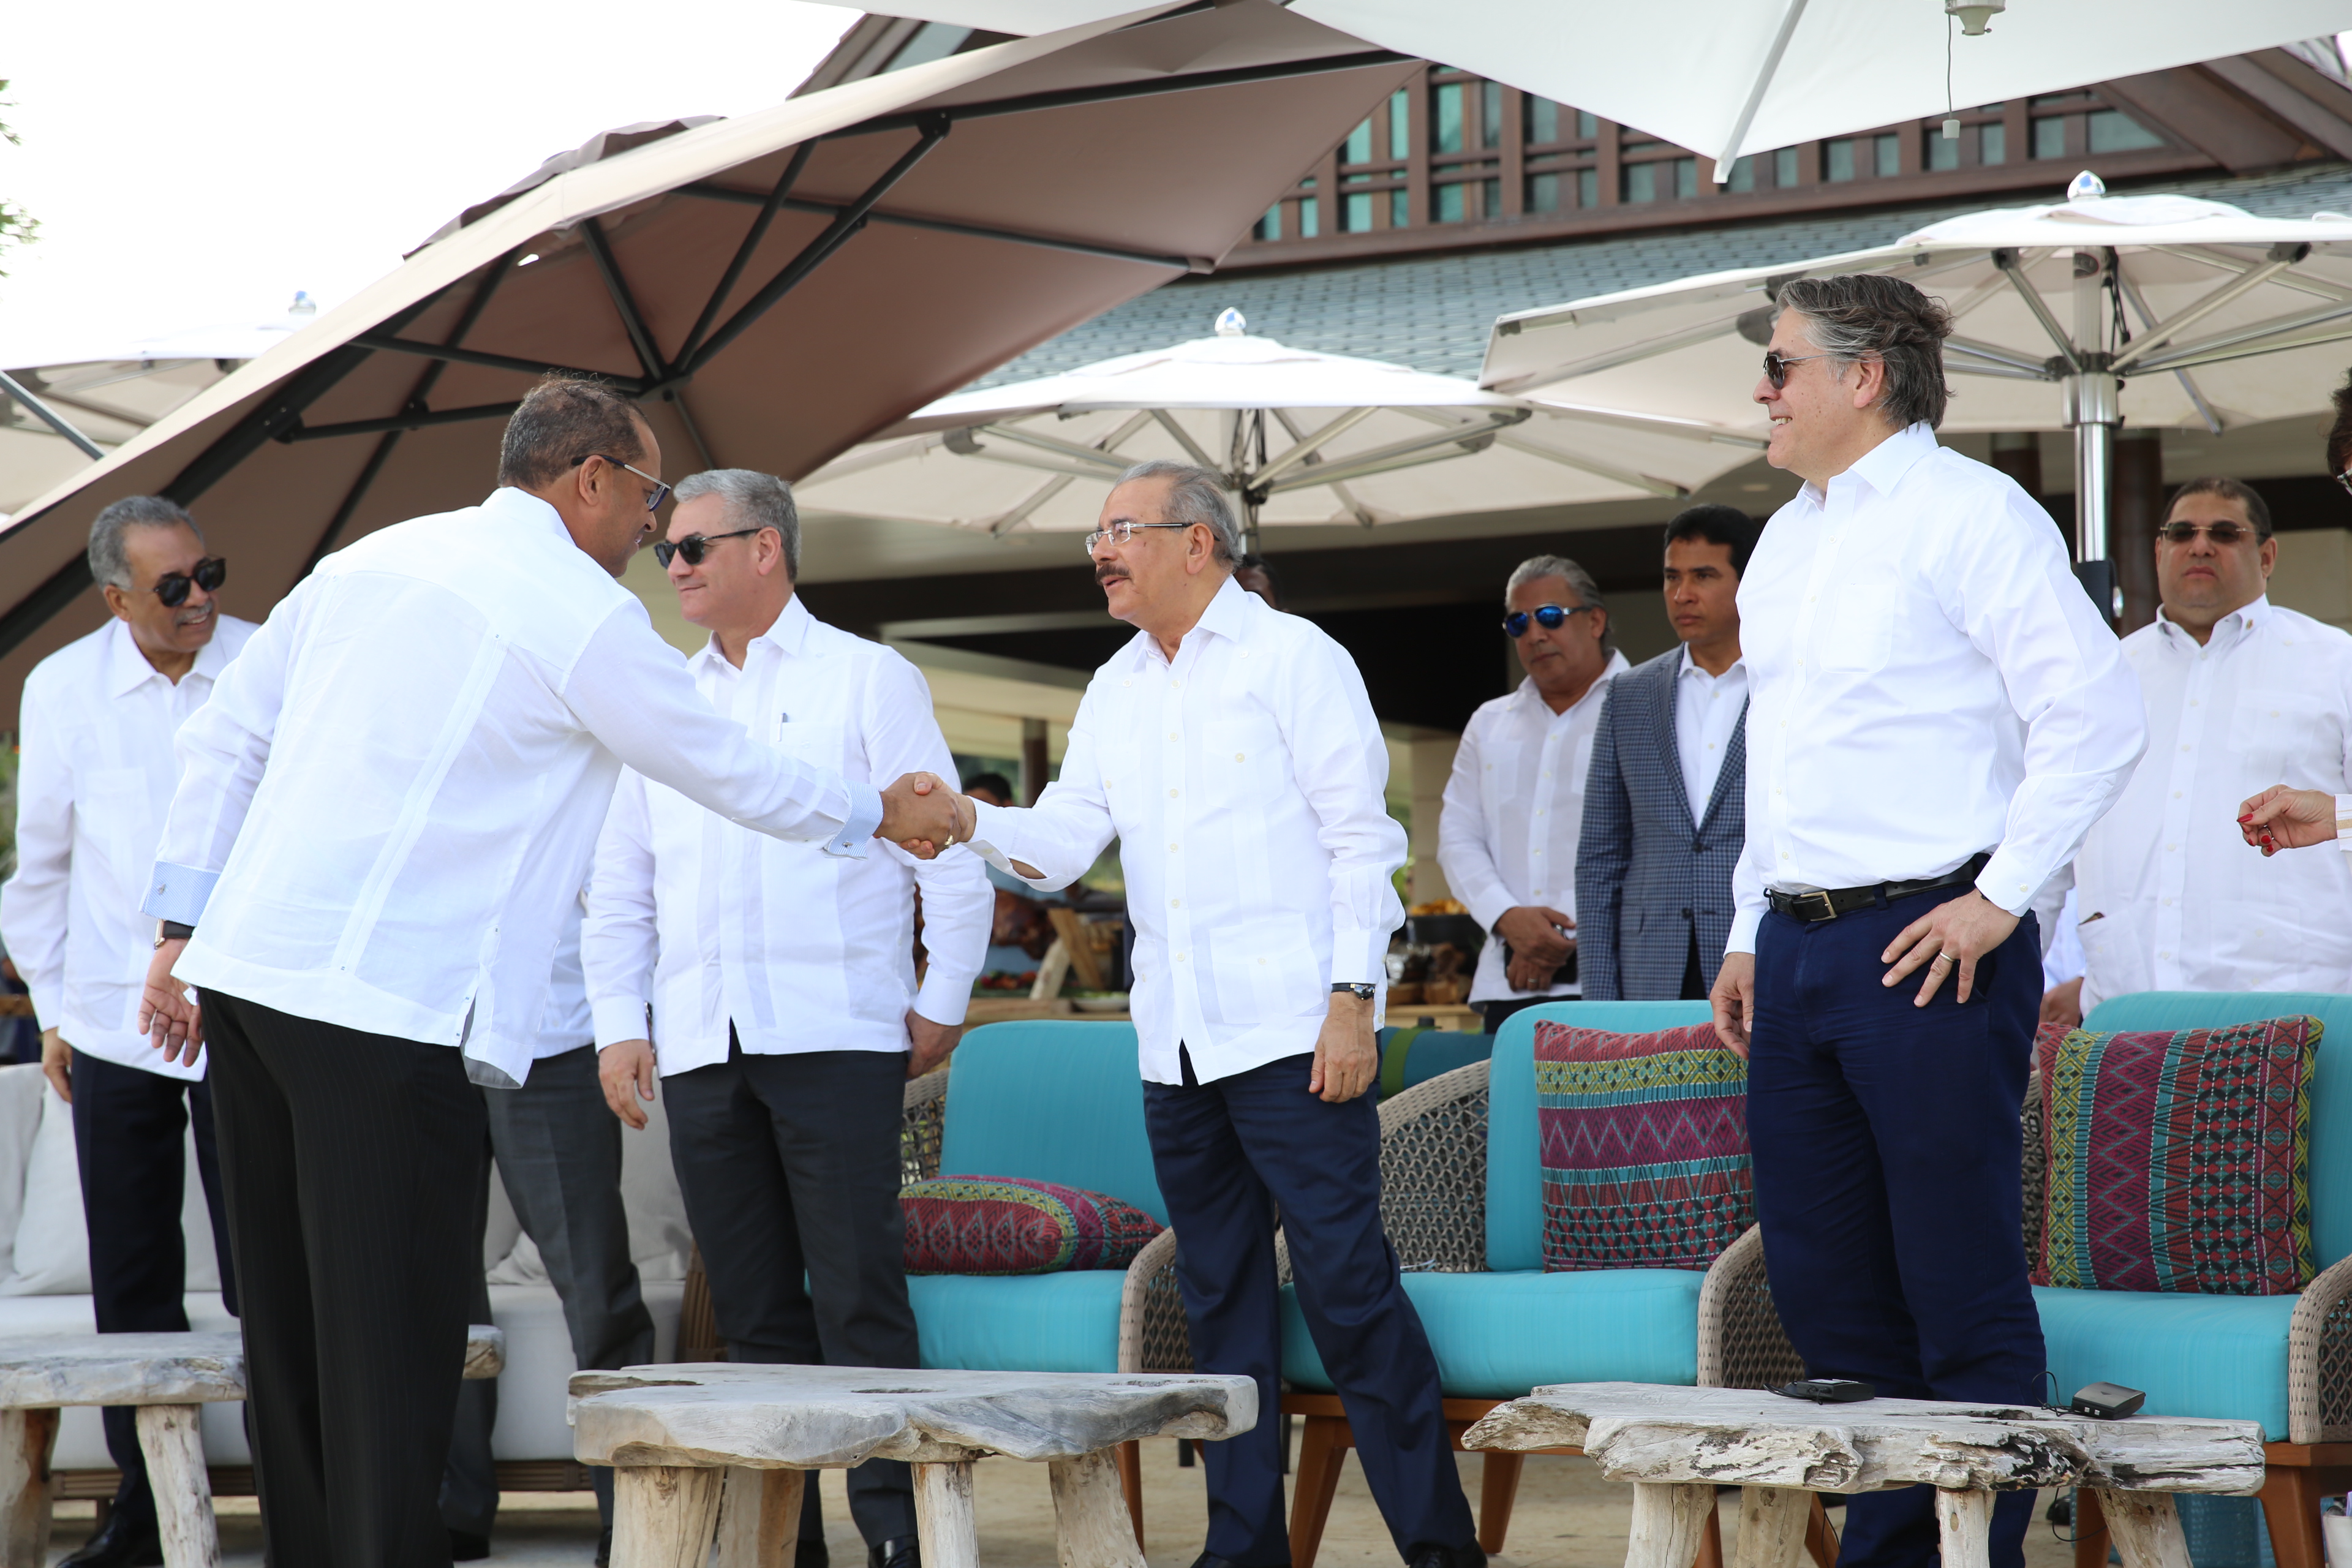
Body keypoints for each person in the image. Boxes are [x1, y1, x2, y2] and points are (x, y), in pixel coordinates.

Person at [132, 379, 958, 1568]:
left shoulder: (370, 559)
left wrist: (178, 926)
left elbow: (221, 739)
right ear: (591, 477)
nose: (653, 526)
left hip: (250, 980)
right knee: (393, 1341)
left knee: (294, 1335)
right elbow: (721, 763)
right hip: (386, 1005)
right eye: (649, 496)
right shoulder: (577, 608)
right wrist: (876, 811)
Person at [935, 459, 1482, 1568]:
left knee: (1348, 1295)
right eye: (1096, 535)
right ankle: (1243, 1550)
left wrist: (1353, 1001)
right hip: (1175, 1049)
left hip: (1293, 1037)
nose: (1101, 553)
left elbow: (1363, 843)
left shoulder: (1296, 658)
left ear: (1197, 542)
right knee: (1218, 1302)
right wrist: (965, 818)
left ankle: (1440, 1551)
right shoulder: (1115, 685)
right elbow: (1065, 841)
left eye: (1120, 530)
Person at [1708, 276, 2144, 1568]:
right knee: (1825, 1287)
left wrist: (2001, 898)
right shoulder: (1783, 540)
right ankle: (1894, 1554)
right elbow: (1780, 754)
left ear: (1865, 376)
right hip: (1795, 943)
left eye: (1782, 365)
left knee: (1957, 1277)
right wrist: (1746, 929)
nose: (1762, 389)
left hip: (1930, 941)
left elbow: (2096, 715)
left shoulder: (1974, 512)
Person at [588, 469, 990, 1568]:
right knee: (753, 1313)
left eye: (693, 548)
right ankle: (786, 1547)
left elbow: (944, 843)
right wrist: (621, 1022)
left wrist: (943, 998)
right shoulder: (665, 699)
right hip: (702, 1041)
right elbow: (620, 882)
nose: (673, 567)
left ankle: (900, 1537)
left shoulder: (868, 677)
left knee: (861, 1297)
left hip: (838, 1033)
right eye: (666, 551)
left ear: (766, 547)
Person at [0, 496, 251, 1568]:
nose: (200, 599)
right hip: (110, 1020)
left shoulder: (265, 661)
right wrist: (56, 1012)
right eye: (174, 586)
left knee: (264, 1268)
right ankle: (144, 1514)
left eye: (208, 573)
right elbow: (42, 866)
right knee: (133, 1278)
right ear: (115, 599)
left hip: (247, 1010)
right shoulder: (62, 687)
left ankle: (307, 1495)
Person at [2040, 478, 2352, 1027]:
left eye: (2225, 533)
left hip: (2297, 1013)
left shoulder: (2336, 663)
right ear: (2159, 551)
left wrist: (2339, 816)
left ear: (2267, 556)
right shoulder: (2103, 677)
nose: (2200, 545)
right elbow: (2047, 839)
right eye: (2182, 533)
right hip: (2129, 1012)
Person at [441, 891, 655, 1566]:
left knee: (596, 1285)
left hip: (550, 1033)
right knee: (431, 1283)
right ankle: (451, 1510)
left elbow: (619, 892)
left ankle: (632, 1514)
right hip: (422, 1034)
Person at [1436, 555, 1629, 1034]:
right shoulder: (1489, 723)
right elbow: (1457, 837)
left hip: (1618, 974)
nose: (1535, 635)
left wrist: (1551, 940)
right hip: (1510, 982)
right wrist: (1508, 918)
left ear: (1596, 621)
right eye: (1519, 624)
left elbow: (1657, 840)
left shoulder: (1647, 703)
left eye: (1549, 617)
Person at [1577, 505, 1758, 1003]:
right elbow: (1599, 857)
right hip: (1651, 964)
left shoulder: (1787, 684)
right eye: (1672, 577)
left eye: (1704, 576)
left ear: (1749, 581)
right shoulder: (1628, 695)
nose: (1682, 595)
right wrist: (1600, 1001)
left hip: (1757, 955)